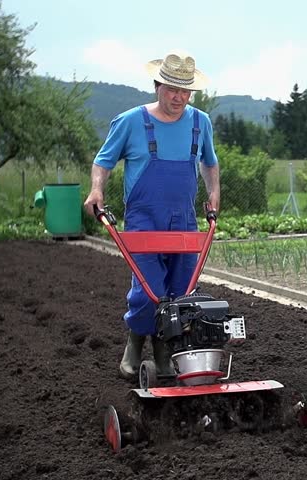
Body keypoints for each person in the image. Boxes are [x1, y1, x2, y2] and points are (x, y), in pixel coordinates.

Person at [84, 51, 220, 380]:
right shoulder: (131, 121)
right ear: (158, 85)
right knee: (149, 293)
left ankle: (162, 354)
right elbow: (103, 161)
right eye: (172, 89)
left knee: (180, 294)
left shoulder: (201, 122)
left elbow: (209, 163)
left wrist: (214, 191)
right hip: (144, 221)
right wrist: (96, 190)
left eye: (185, 91)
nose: (179, 97)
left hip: (184, 222)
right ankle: (134, 345)